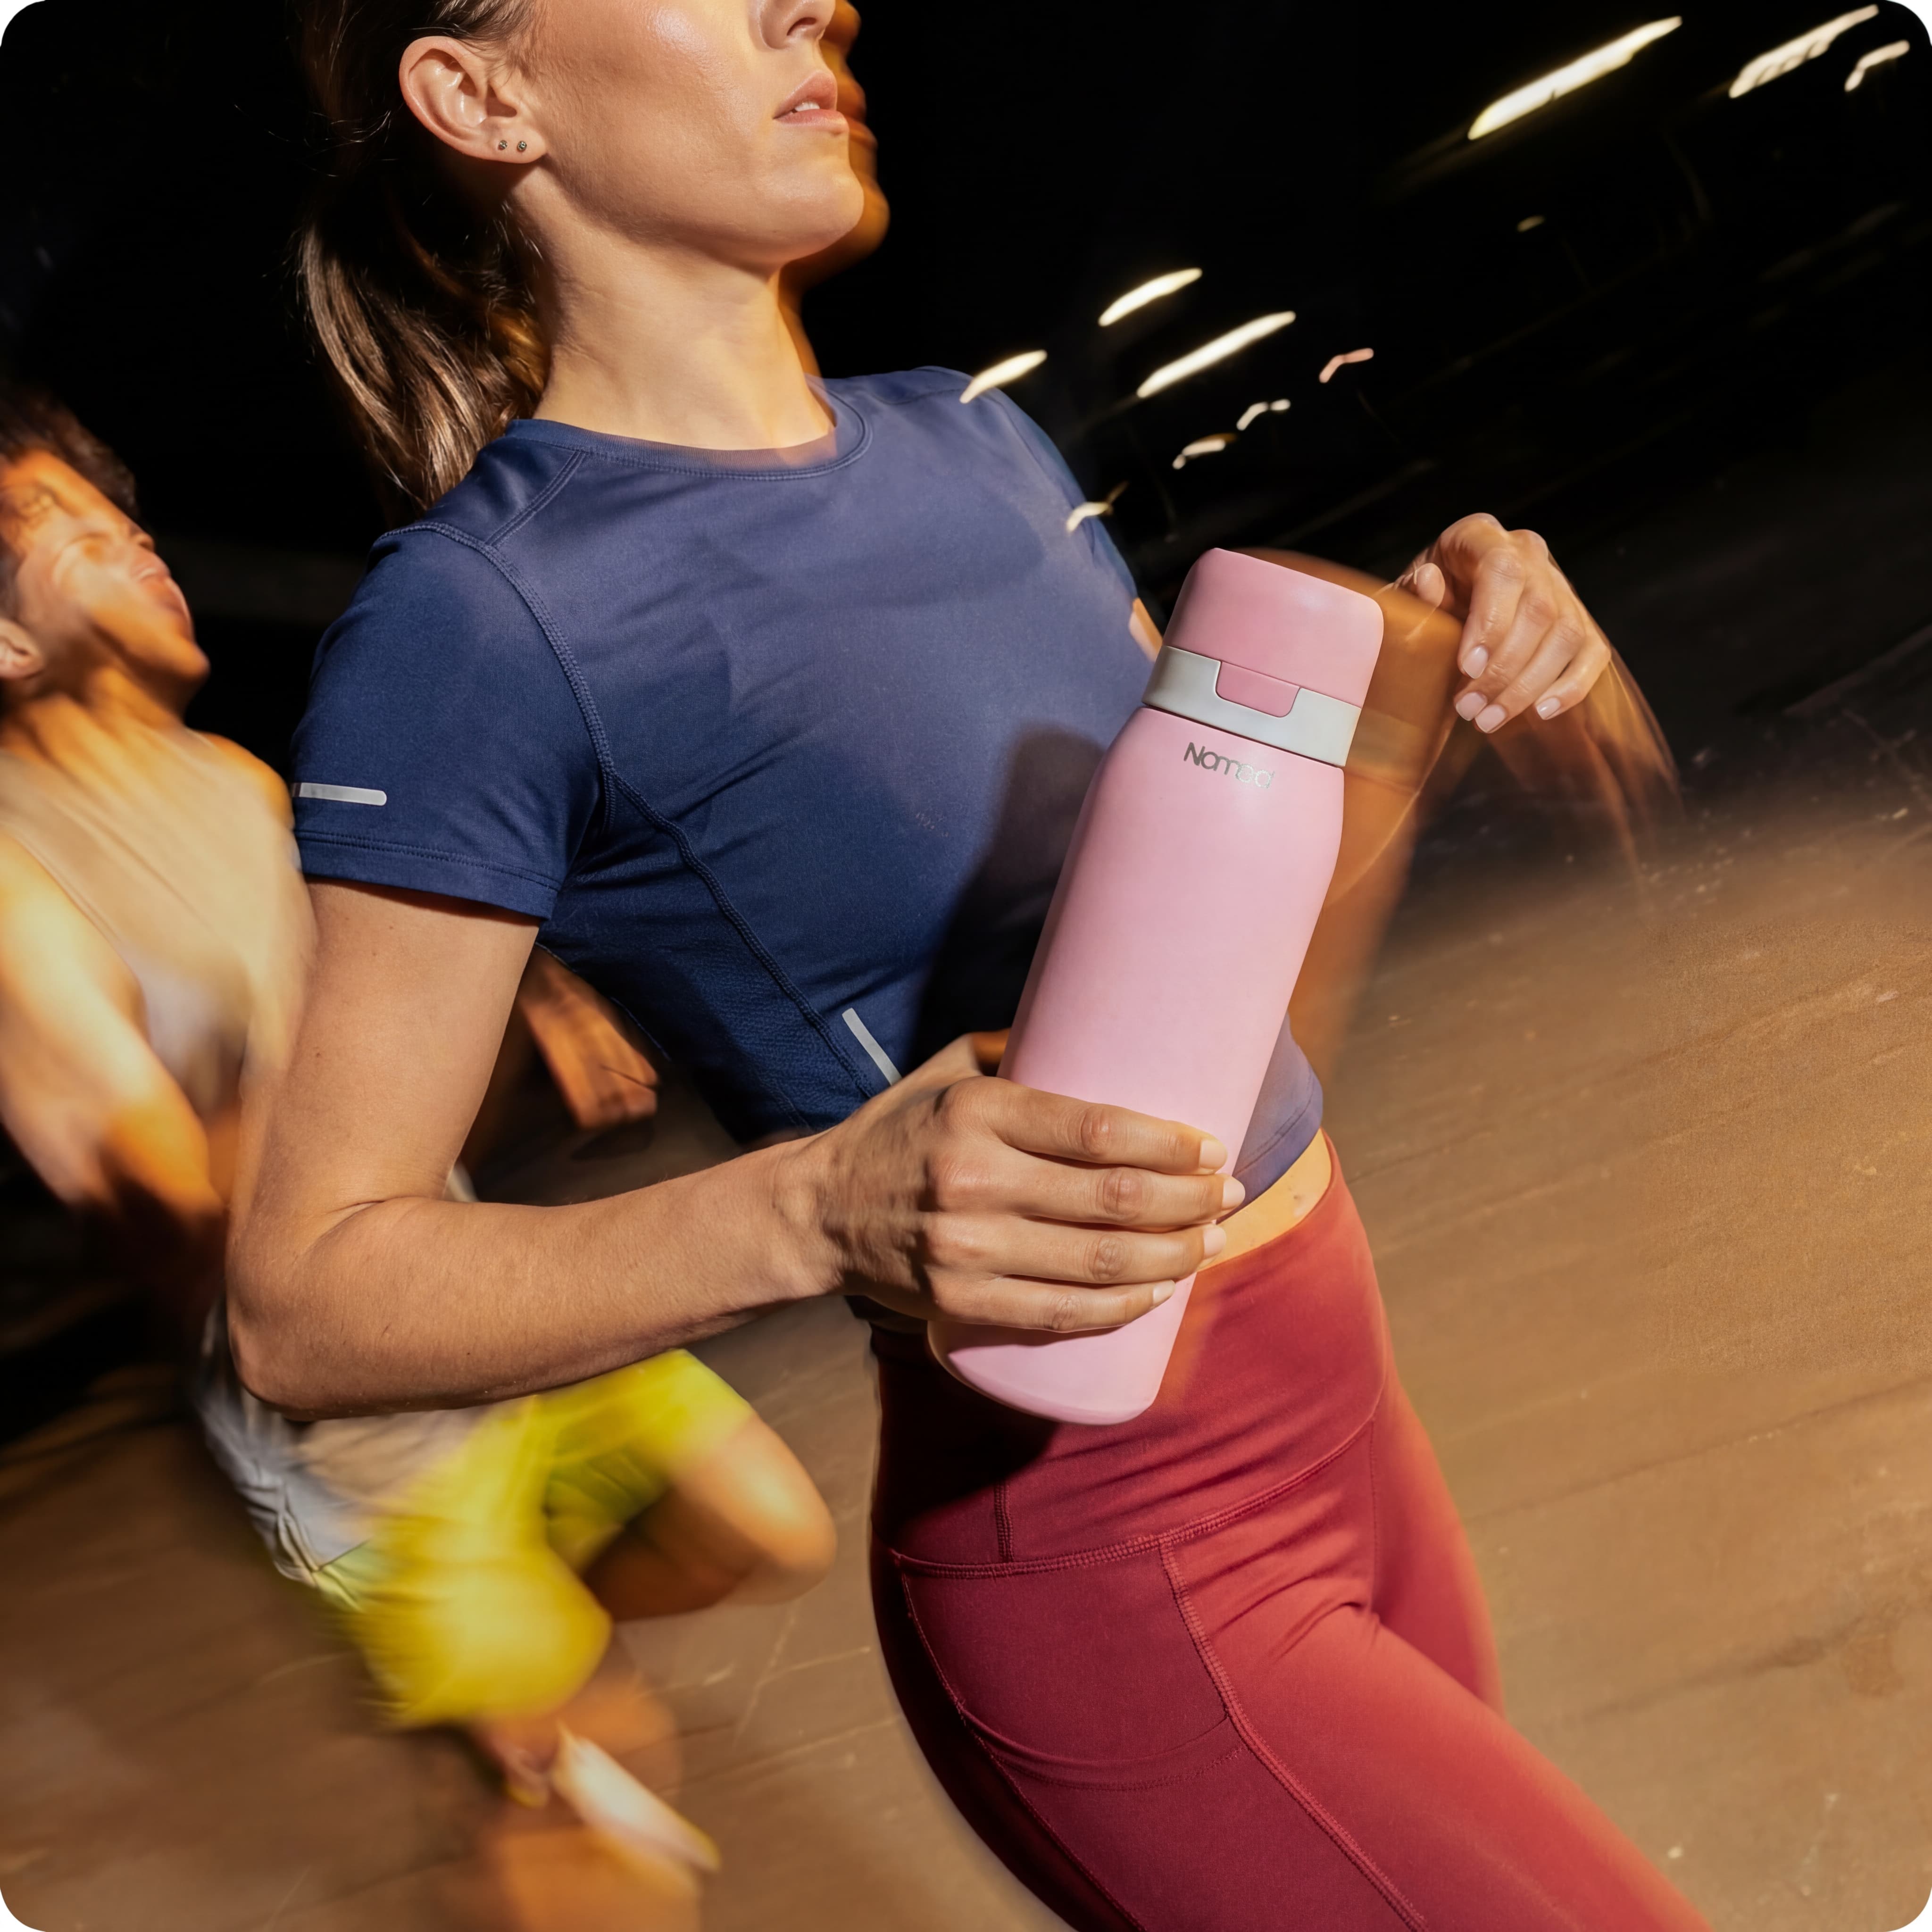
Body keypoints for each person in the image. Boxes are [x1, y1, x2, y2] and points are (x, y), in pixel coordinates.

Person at [231, 1, 1709, 1926]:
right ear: (481, 92)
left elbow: (1210, 1014)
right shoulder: (484, 621)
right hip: (1118, 1544)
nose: (813, 3)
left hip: (1338, 1394)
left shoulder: (969, 439)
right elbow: (307, 1302)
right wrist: (819, 1209)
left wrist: (1415, 666)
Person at [0, 388, 833, 1865]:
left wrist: (529, 995)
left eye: (123, 515)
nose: (133, 540)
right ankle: (504, 1727)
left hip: (462, 1289)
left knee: (764, 1527)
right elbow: (170, 1225)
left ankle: (502, 1695)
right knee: (598, 1809)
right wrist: (279, 1113)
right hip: (347, 1444)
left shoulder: (234, 784)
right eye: (68, 529)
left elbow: (370, 1023)